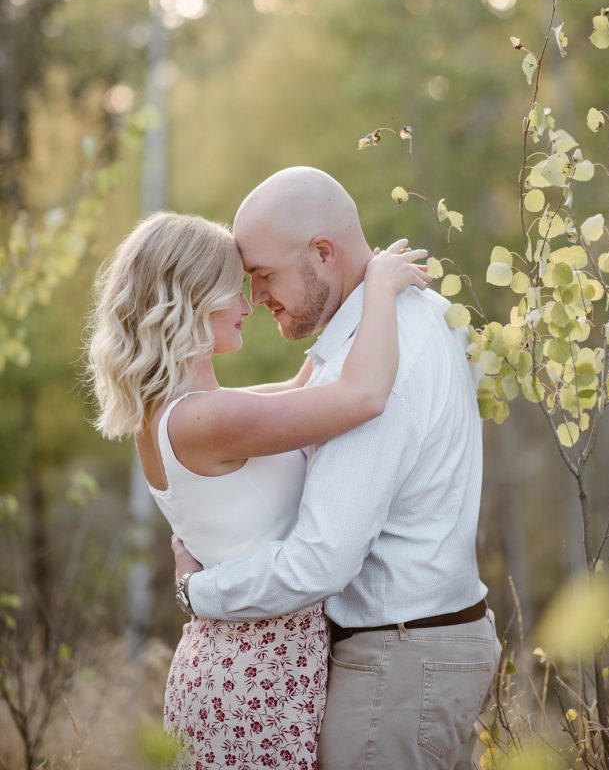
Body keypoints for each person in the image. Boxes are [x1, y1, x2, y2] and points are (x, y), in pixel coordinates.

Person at [173, 166, 501, 770]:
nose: (256, 298)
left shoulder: (377, 358)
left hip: (398, 664)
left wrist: (199, 592)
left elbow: (319, 561)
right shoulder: (414, 317)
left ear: (323, 253)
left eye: (263, 275)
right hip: (420, 656)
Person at [86, 209, 431, 769]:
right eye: (234, 291)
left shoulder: (177, 413)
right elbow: (361, 396)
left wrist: (346, 298)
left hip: (246, 665)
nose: (250, 305)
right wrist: (381, 289)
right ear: (193, 299)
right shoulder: (207, 419)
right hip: (251, 680)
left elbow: (306, 383)